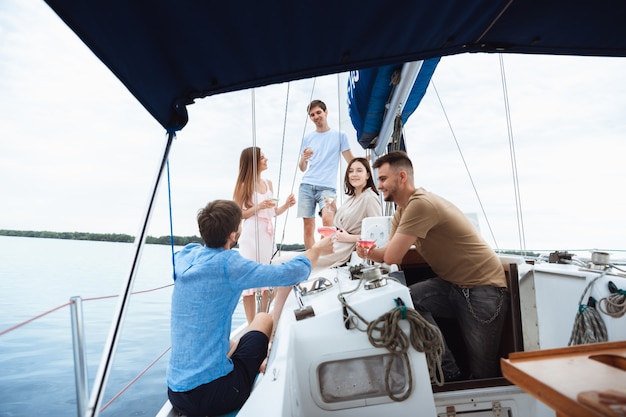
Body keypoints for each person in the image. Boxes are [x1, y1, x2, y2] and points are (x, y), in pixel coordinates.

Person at [167, 200, 333, 417]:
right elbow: (290, 274)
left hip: (176, 393)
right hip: (213, 395)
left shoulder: (185, 256)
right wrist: (318, 249)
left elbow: (196, 251)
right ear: (233, 235)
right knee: (263, 319)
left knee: (232, 341)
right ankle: (265, 362)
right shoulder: (229, 264)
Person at [358, 151, 509, 381]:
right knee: (407, 301)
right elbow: (391, 254)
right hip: (453, 286)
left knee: (483, 373)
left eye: (383, 179)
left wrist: (373, 253)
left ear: (402, 177)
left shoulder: (421, 205)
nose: (379, 186)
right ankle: (448, 371)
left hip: (484, 289)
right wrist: (367, 251)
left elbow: (390, 256)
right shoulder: (402, 210)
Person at [233, 146, 296, 324]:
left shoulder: (268, 183)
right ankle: (252, 323)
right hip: (251, 236)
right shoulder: (244, 185)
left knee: (268, 279)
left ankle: (263, 321)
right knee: (250, 283)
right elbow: (239, 214)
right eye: (262, 157)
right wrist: (258, 207)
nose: (266, 159)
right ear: (252, 162)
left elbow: (273, 211)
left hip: (268, 235)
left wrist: (286, 205)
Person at [298, 99, 354, 249]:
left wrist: (366, 164)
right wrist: (303, 158)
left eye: (318, 112)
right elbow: (302, 168)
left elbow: (351, 160)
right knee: (308, 227)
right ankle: (311, 262)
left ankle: (325, 257)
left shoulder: (340, 135)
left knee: (328, 221)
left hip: (327, 188)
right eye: (312, 115)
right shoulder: (308, 138)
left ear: (326, 112)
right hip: (307, 186)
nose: (316, 116)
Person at [312, 157, 381, 272]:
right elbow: (341, 224)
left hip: (342, 250)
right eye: (351, 171)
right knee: (291, 263)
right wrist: (334, 209)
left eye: (359, 170)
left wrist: (349, 238)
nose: (354, 174)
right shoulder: (351, 198)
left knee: (292, 264)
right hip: (333, 244)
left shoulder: (370, 198)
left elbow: (377, 234)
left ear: (368, 175)